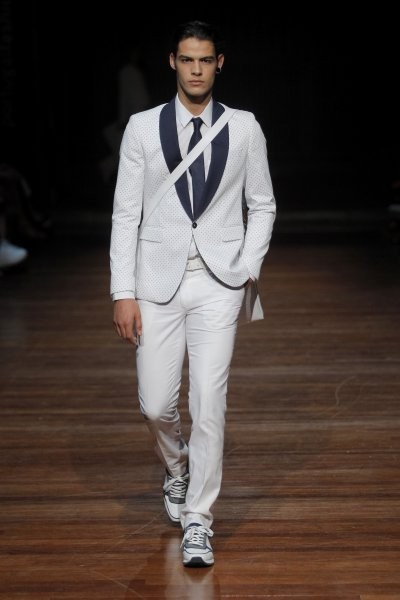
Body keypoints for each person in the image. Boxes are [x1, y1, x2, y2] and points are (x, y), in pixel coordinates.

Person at [110, 20, 276, 567]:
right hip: (155, 281)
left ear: (219, 63)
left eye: (205, 60)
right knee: (156, 404)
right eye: (187, 60)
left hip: (218, 282)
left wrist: (247, 267)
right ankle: (177, 466)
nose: (197, 70)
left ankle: (199, 520)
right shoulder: (141, 128)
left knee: (209, 403)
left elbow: (263, 204)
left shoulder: (245, 127)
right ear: (173, 62)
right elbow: (125, 213)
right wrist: (122, 290)